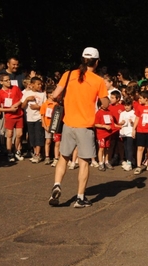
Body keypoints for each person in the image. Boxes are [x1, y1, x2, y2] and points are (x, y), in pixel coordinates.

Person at [48, 47, 109, 208]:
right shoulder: (98, 81)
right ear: (96, 62)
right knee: (84, 162)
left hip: (68, 123)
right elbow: (105, 103)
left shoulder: (68, 75)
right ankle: (80, 198)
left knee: (64, 157)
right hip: (86, 126)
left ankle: (57, 184)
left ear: (82, 59)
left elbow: (54, 95)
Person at [0, 73, 24, 162]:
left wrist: (16, 105)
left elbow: (22, 98)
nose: (9, 82)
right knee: (9, 135)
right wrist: (9, 109)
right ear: (1, 82)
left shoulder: (15, 88)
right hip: (9, 116)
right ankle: (9, 152)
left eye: (9, 79)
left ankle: (17, 150)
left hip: (19, 115)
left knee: (19, 134)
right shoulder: (0, 93)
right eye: (6, 80)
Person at [21, 76, 46, 163]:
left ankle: (37, 154)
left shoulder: (43, 94)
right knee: (32, 137)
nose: (40, 86)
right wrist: (27, 100)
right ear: (32, 85)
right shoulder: (26, 94)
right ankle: (35, 152)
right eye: (38, 84)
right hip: (29, 118)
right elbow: (22, 106)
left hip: (38, 118)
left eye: (40, 84)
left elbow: (46, 106)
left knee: (39, 136)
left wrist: (38, 107)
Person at [40, 85, 60, 166]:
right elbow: (42, 116)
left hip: (55, 126)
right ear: (48, 94)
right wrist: (44, 126)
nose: (53, 96)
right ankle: (47, 156)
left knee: (57, 142)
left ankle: (56, 157)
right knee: (48, 141)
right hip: (48, 125)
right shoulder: (45, 104)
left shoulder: (57, 104)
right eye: (51, 94)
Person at [94, 100, 117, 171]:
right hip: (101, 134)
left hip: (108, 133)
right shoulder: (98, 113)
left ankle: (106, 161)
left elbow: (112, 123)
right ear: (101, 105)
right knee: (101, 148)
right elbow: (95, 124)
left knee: (107, 148)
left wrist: (119, 125)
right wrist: (104, 126)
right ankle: (101, 163)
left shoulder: (109, 112)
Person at [118, 97, 136, 171]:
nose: (126, 107)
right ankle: (129, 160)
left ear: (131, 105)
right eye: (125, 105)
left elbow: (135, 123)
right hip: (124, 132)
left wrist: (132, 122)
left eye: (128, 105)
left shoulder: (133, 113)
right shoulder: (122, 113)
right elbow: (120, 122)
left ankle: (129, 163)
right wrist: (121, 122)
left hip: (130, 132)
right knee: (125, 147)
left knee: (130, 147)